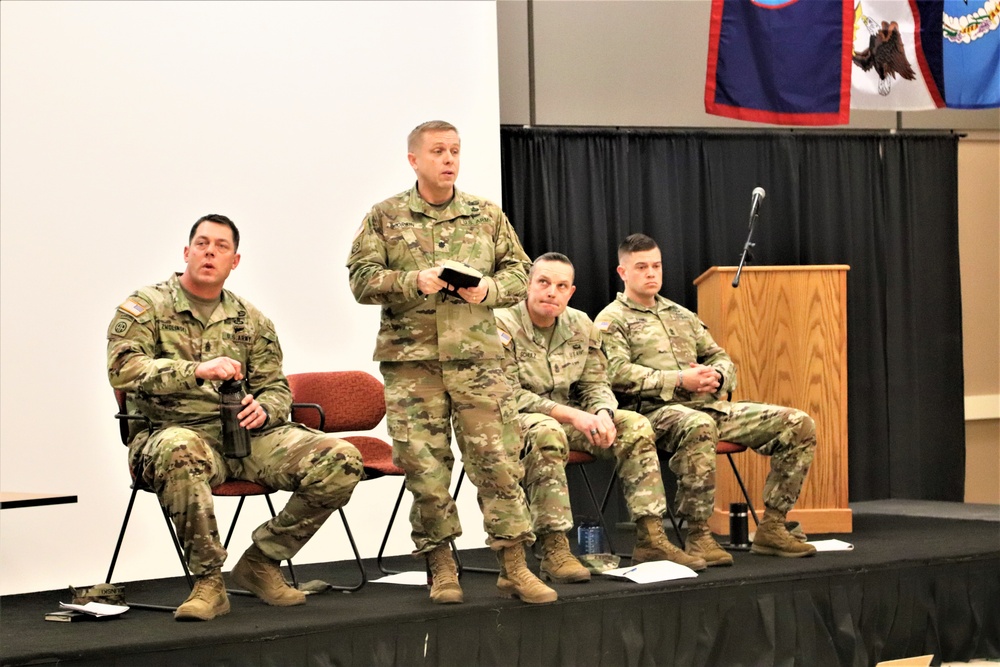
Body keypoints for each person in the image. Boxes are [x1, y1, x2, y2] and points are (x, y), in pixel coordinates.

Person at [107, 214, 364, 621]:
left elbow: (277, 387)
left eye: (221, 247)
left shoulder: (252, 319)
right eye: (203, 243)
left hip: (245, 436)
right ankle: (209, 582)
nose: (210, 252)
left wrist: (266, 408)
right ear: (186, 252)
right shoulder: (147, 306)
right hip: (170, 433)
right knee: (180, 448)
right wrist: (195, 370)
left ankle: (262, 561)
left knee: (342, 458)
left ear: (235, 261)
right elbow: (122, 368)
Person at [346, 120, 556, 605]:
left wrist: (488, 289)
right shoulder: (385, 216)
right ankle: (441, 566)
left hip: (478, 361)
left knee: (498, 462)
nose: (449, 159)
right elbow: (361, 279)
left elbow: (519, 271)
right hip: (412, 364)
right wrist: (411, 281)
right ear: (414, 159)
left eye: (455, 150)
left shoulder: (486, 214)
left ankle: (514, 565)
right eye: (438, 150)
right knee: (426, 468)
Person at [596, 233, 817, 564]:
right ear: (623, 272)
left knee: (798, 423)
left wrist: (718, 376)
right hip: (653, 415)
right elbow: (614, 374)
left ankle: (772, 525)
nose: (651, 273)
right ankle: (698, 534)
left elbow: (721, 357)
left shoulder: (681, 315)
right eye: (641, 267)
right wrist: (679, 379)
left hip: (707, 407)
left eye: (656, 265)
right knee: (698, 424)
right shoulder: (611, 320)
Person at [496, 253, 707, 581]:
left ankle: (651, 537)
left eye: (561, 286)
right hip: (517, 422)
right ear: (528, 285)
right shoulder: (501, 325)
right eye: (544, 282)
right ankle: (555, 548)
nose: (552, 291)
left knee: (635, 424)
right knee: (548, 430)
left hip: (572, 419)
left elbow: (596, 383)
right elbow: (508, 394)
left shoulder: (581, 325)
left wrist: (604, 414)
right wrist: (575, 416)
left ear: (571, 291)